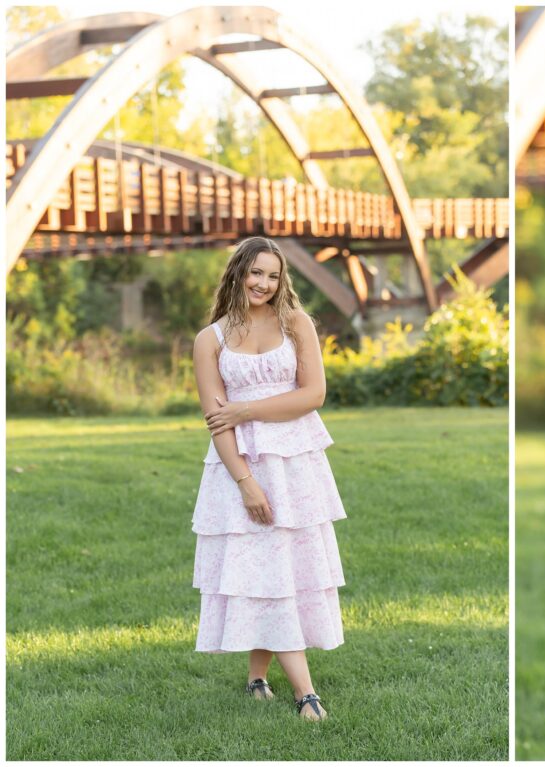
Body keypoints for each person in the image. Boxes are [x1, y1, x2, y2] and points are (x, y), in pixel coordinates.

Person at [191, 236, 346, 722]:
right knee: (262, 567)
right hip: (240, 468)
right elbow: (217, 423)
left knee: (284, 568)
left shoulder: (296, 323)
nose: (263, 283)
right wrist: (245, 483)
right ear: (237, 272)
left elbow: (313, 394)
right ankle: (306, 695)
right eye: (255, 272)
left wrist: (248, 408)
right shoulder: (209, 340)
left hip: (296, 464)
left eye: (273, 275)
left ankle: (259, 676)